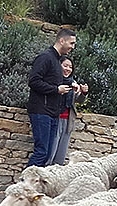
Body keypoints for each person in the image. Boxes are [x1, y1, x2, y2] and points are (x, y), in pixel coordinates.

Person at [26, 28, 77, 167]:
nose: (73, 47)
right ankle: (23, 185)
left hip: (53, 113)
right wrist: (56, 89)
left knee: (48, 153)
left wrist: (72, 85)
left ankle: (33, 186)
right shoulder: (45, 57)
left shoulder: (57, 60)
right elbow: (34, 81)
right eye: (71, 43)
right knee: (41, 152)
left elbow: (54, 81)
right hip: (41, 111)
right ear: (62, 40)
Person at [48, 56, 89, 166]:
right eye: (65, 66)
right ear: (58, 66)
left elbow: (78, 101)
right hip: (54, 119)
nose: (68, 69)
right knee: (50, 151)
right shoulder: (52, 80)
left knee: (61, 153)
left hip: (68, 120)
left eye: (70, 67)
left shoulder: (73, 82)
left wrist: (83, 93)